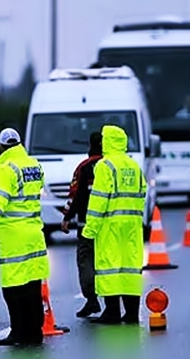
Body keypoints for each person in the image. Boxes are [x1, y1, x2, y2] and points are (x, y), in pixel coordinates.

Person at [0, 128, 50, 346]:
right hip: (34, 233)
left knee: (13, 288)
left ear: (1, 146)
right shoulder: (34, 165)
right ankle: (35, 333)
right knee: (33, 285)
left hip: (14, 237)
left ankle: (18, 333)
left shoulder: (5, 169)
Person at [82, 125, 146, 324]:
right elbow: (143, 192)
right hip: (133, 225)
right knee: (130, 267)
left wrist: (89, 229)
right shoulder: (133, 165)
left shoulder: (104, 166)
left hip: (110, 225)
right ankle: (132, 312)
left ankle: (112, 312)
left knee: (110, 267)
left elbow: (98, 200)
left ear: (108, 141)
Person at [60, 132, 103, 318]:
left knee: (86, 262)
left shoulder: (84, 168)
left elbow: (75, 196)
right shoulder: (113, 166)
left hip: (87, 224)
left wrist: (67, 217)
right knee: (109, 263)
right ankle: (114, 304)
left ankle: (92, 300)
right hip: (110, 225)